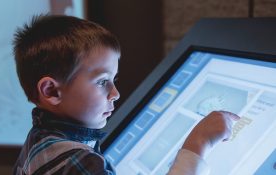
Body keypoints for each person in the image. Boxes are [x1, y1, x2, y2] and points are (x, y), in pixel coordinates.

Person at [12, 14, 240, 175]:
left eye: (114, 80)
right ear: (51, 91)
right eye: (102, 82)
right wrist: (197, 144)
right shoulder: (75, 161)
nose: (115, 93)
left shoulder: (41, 139)